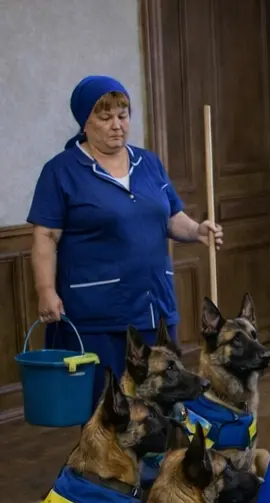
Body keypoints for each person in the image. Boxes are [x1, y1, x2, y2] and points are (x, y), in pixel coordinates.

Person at [28, 75, 224, 410]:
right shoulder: (61, 171)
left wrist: (197, 230)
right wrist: (45, 289)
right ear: (85, 123)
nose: (117, 125)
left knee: (163, 404)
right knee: (108, 408)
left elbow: (170, 216)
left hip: (154, 306)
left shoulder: (148, 163)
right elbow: (45, 237)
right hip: (97, 314)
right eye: (106, 117)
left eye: (123, 115)